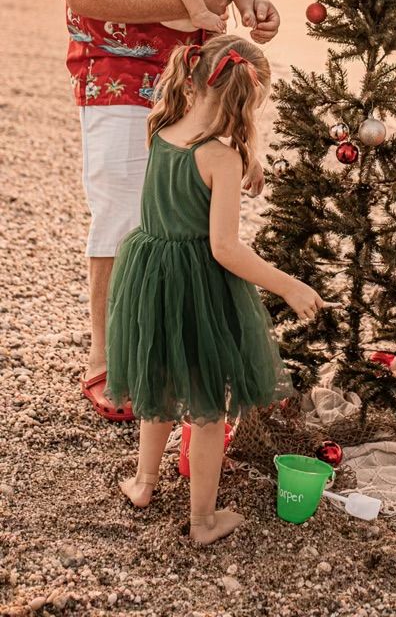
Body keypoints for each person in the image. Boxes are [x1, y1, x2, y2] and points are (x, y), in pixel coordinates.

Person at [47, 0, 281, 421]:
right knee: (123, 213)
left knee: (196, 213)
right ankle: (108, 358)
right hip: (115, 74)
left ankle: (175, 350)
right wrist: (183, 6)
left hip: (199, 71)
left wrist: (253, 0)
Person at [106, 34, 326, 544]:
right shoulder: (219, 159)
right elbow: (225, 247)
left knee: (158, 381)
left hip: (149, 274)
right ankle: (203, 522)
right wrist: (288, 285)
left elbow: (184, 185)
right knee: (208, 408)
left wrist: (244, 158)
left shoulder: (160, 128)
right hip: (196, 286)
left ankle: (143, 483)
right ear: (246, 100)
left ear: (194, 77)